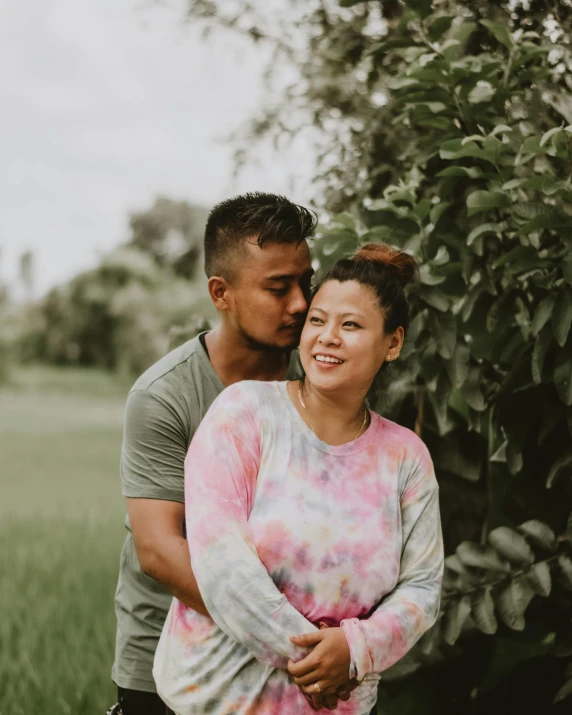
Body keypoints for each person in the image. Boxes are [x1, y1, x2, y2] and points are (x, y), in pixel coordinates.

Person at [153, 244, 445, 714]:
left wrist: (356, 649)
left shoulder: (405, 457)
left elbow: (423, 588)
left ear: (392, 343)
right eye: (317, 320)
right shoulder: (245, 413)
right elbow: (220, 562)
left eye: (350, 325)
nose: (328, 336)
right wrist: (315, 664)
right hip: (212, 701)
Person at [110, 192, 354, 714]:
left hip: (292, 676)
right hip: (174, 671)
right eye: (277, 287)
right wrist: (297, 643)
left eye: (305, 282)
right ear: (221, 293)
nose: (300, 303)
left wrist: (348, 646)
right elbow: (160, 552)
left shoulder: (322, 389)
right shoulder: (164, 397)